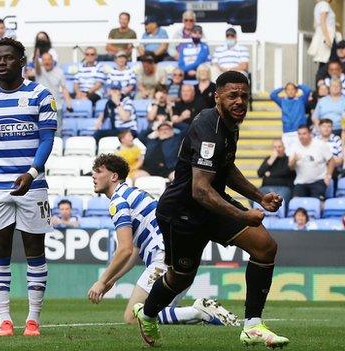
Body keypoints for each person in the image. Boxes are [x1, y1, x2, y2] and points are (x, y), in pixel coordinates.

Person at [135, 71, 289, 348]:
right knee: (180, 278)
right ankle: (146, 314)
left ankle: (252, 326)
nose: (239, 101)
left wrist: (259, 195)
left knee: (265, 246)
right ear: (217, 96)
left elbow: (225, 167)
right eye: (232, 95)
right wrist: (244, 214)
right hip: (183, 212)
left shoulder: (230, 124)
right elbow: (200, 190)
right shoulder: (209, 127)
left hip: (212, 204)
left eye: (244, 95)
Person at [88, 154, 239, 326]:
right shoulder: (133, 194)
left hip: (163, 258)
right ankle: (205, 316)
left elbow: (125, 249)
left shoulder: (118, 201)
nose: (94, 175)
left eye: (98, 171)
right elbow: (135, 250)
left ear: (113, 176)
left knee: (133, 318)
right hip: (179, 256)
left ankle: (199, 312)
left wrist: (101, 281)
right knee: (157, 313)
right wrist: (111, 280)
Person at [0, 37, 56, 337]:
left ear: (22, 61)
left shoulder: (41, 95)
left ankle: (33, 319)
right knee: (0, 250)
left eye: (8, 58)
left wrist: (32, 173)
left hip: (33, 186)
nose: (1, 63)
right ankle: (4, 320)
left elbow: (47, 138)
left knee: (35, 250)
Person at [288, 125, 334, 200]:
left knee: (318, 204)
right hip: (301, 182)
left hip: (318, 181)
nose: (301, 136)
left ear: (310, 134)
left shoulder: (320, 144)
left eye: (304, 133)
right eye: (299, 134)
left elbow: (331, 160)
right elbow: (290, 167)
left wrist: (328, 176)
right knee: (295, 203)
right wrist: (294, 160)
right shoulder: (294, 146)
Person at [34, 51, 72, 131]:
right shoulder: (39, 71)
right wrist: (36, 55)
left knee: (57, 132)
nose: (47, 62)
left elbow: (64, 89)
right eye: (44, 60)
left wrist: (69, 104)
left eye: (49, 59)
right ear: (42, 61)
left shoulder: (59, 72)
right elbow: (36, 64)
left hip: (56, 107)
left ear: (52, 60)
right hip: (40, 108)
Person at [270, 82, 312, 154]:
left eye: (292, 89)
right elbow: (272, 95)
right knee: (287, 154)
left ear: (296, 91)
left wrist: (298, 86)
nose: (290, 91)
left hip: (299, 132)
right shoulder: (282, 101)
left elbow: (307, 90)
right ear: (285, 91)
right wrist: (282, 88)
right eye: (288, 89)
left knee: (300, 153)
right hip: (287, 133)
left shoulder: (301, 100)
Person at [257, 139, 295, 206]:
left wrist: (270, 174)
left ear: (284, 148)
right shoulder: (269, 159)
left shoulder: (288, 159)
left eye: (279, 147)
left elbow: (285, 172)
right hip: (266, 188)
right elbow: (260, 173)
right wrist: (271, 160)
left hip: (283, 188)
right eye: (275, 147)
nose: (277, 149)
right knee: (253, 197)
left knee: (280, 200)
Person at [309, 0, 336, 82]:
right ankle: (322, 86)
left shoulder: (318, 5)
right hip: (327, 36)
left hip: (321, 36)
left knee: (323, 63)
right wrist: (327, 39)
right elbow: (322, 22)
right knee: (330, 62)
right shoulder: (324, 4)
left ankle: (321, 86)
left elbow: (315, 25)